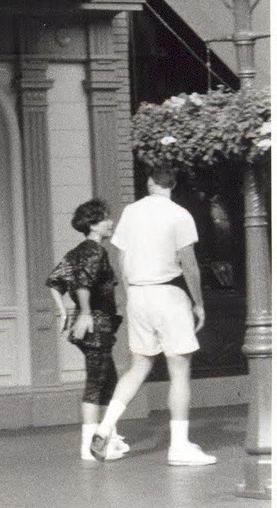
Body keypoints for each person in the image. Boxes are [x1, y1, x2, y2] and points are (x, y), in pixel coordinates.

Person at [90, 164, 215, 466]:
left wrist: (128, 293)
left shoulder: (131, 212)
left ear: (149, 183)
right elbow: (189, 264)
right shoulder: (180, 215)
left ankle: (104, 430)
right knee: (179, 371)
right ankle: (180, 447)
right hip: (168, 294)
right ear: (173, 185)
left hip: (138, 295)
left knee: (139, 366)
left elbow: (119, 255)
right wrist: (198, 303)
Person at [46, 198, 128, 462]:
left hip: (91, 325)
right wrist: (84, 311)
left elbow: (55, 281)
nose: (111, 222)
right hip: (96, 325)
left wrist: (62, 312)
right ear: (93, 224)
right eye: (105, 218)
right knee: (96, 383)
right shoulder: (95, 251)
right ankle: (89, 446)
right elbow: (83, 283)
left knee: (111, 381)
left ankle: (108, 437)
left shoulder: (77, 251)